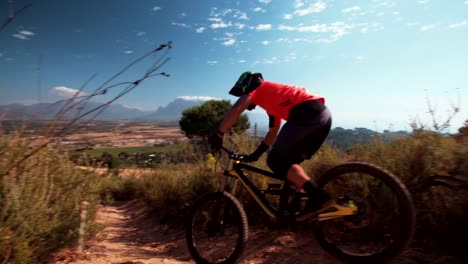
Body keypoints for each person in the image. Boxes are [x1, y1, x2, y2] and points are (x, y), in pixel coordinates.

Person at [209, 71, 334, 215]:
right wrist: (255, 155)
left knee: (275, 160)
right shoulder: (272, 101)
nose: (243, 98)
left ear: (246, 87)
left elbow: (237, 109)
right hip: (322, 117)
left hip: (308, 114)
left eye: (242, 94)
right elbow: (273, 132)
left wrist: (219, 134)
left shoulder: (256, 88)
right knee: (288, 165)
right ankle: (298, 209)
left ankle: (319, 197)